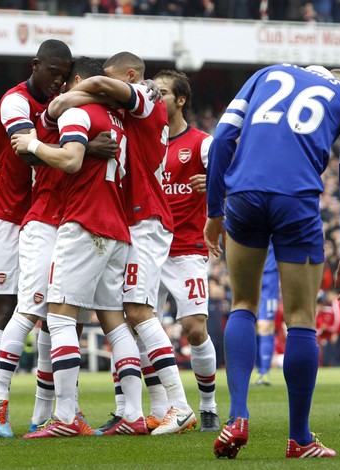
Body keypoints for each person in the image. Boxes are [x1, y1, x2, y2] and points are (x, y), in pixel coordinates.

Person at [205, 64, 340, 459]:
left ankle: (237, 416)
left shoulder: (268, 72)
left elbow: (225, 136)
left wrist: (214, 209)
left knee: (243, 303)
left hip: (243, 194)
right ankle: (299, 439)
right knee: (300, 317)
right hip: (295, 198)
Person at [61, 55, 195, 436]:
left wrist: (68, 97)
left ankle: (180, 406)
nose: (107, 85)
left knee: (137, 310)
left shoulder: (144, 98)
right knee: (124, 315)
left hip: (147, 218)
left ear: (131, 77)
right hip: (133, 218)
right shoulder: (133, 111)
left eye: (114, 77)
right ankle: (136, 410)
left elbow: (104, 87)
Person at [12, 57, 144, 438]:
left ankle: (67, 417)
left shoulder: (79, 110)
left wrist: (34, 142)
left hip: (85, 221)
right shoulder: (120, 120)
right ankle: (133, 413)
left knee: (59, 316)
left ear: (79, 82)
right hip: (117, 226)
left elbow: (69, 161)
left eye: (66, 84)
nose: (61, 92)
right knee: (113, 320)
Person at [0, 40, 72, 408]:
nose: (58, 83)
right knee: (5, 307)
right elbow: (25, 148)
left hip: (44, 217)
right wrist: (80, 153)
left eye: (64, 77)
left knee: (50, 311)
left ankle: (42, 410)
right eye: (53, 74)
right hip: (4, 214)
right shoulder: (15, 101)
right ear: (35, 65)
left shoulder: (59, 104)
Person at [152, 68, 220, 432]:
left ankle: (207, 404)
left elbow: (235, 180)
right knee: (141, 328)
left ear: (180, 100)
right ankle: (162, 406)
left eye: (162, 92)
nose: (156, 98)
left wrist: (211, 184)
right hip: (148, 247)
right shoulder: (146, 141)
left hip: (188, 247)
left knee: (194, 329)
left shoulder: (202, 143)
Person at [254, 244, 279, 386]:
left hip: (270, 277)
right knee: (252, 326)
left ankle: (264, 372)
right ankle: (258, 370)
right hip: (250, 273)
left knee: (265, 326)